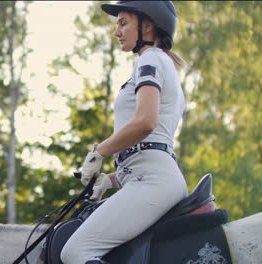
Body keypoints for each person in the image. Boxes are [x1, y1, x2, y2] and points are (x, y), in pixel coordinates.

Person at [60, 2, 189, 264]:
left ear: (148, 25)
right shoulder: (160, 63)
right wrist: (111, 180)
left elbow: (145, 122)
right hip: (151, 178)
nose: (116, 31)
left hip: (154, 182)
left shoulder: (150, 58)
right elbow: (150, 150)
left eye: (123, 23)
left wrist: (99, 152)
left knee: (75, 253)